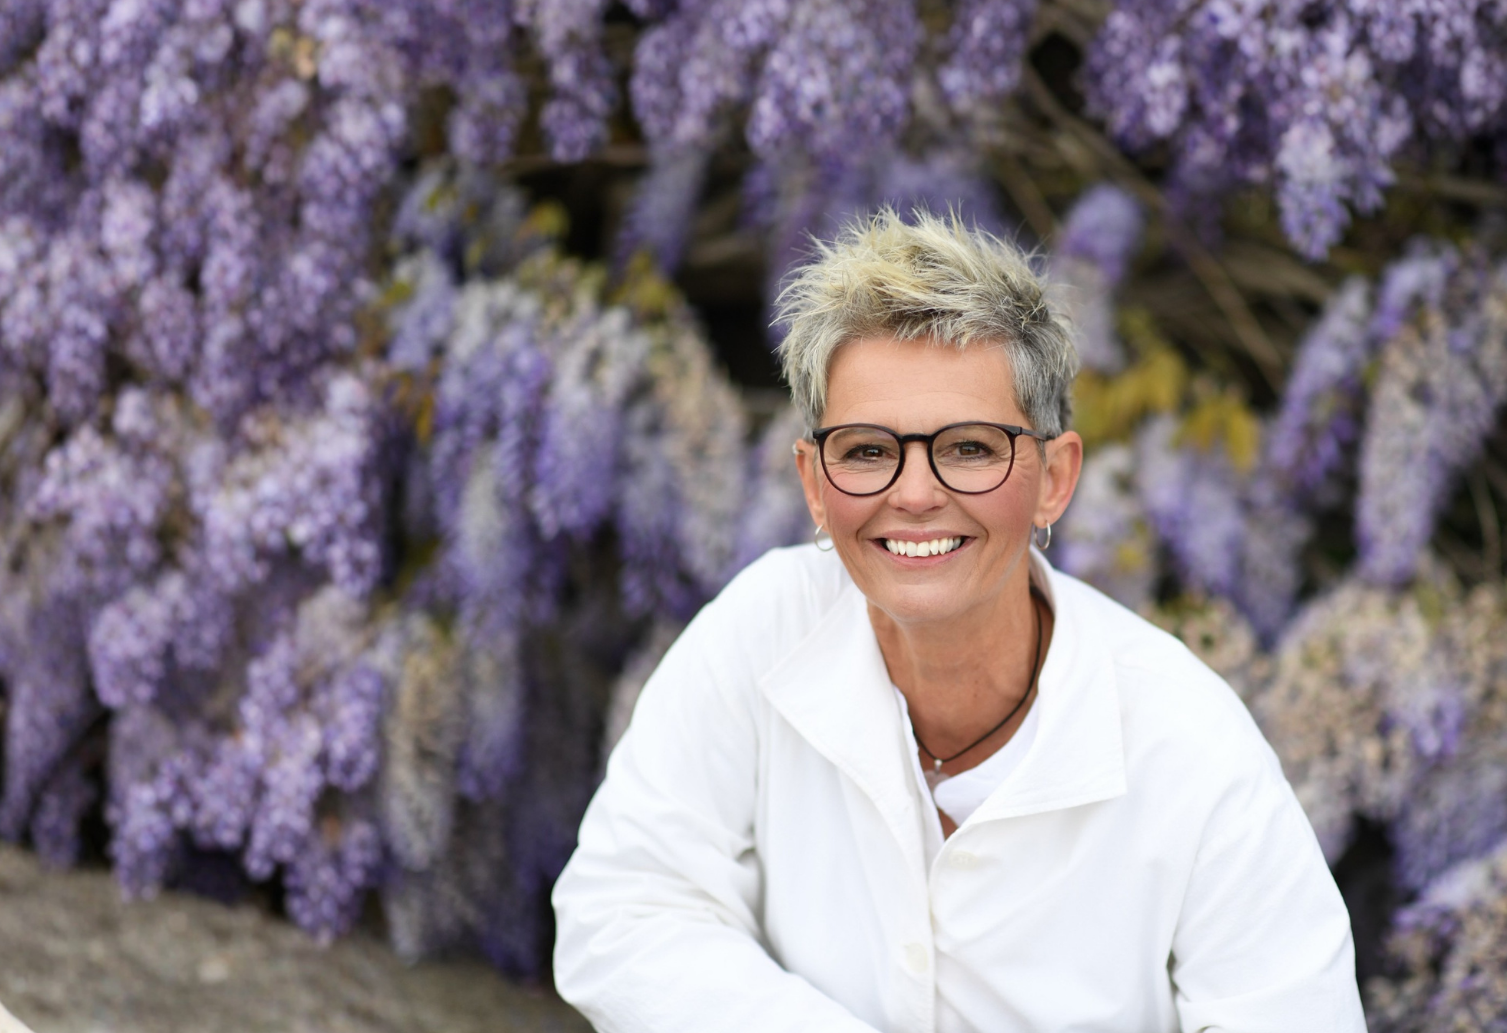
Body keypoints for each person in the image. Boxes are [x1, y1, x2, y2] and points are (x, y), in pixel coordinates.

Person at [550, 210, 1366, 1031]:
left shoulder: (1190, 743)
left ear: (1054, 478)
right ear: (814, 484)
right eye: (867, 450)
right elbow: (622, 908)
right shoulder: (763, 630)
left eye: (970, 448)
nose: (914, 494)